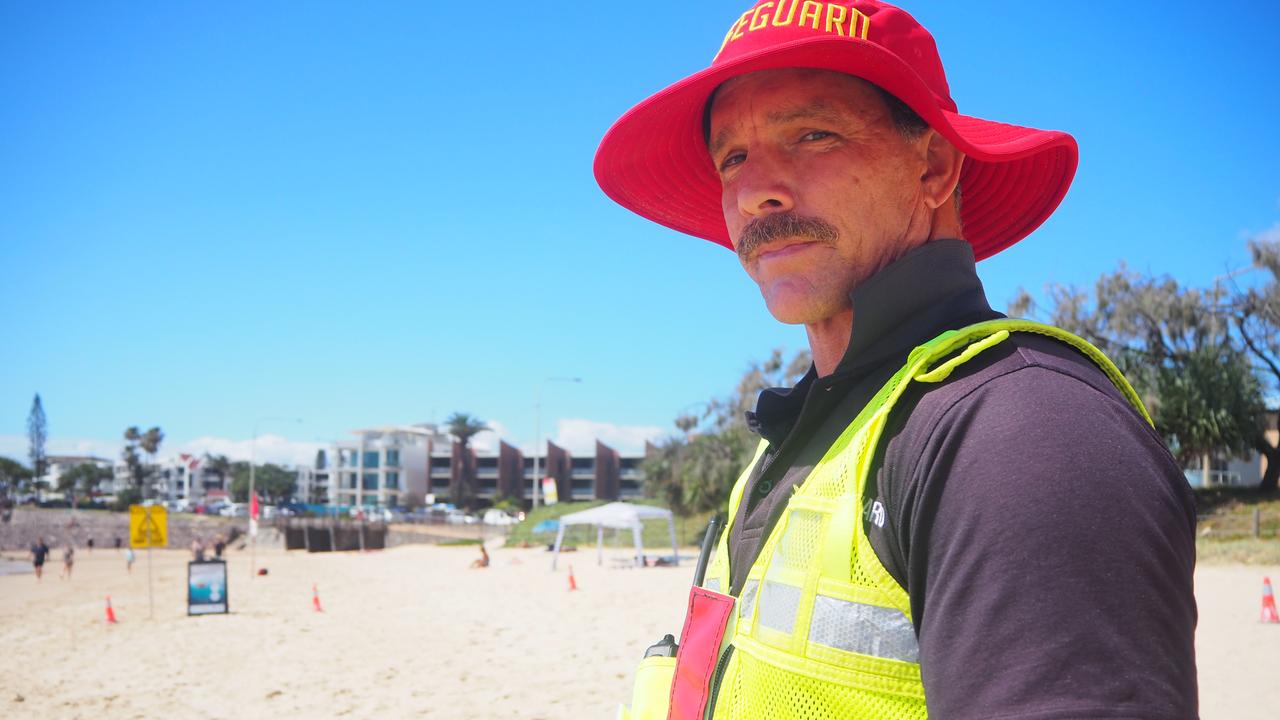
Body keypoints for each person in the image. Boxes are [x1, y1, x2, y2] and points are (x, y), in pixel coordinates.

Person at [596, 2, 1198, 718]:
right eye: (733, 157)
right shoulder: (793, 443)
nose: (757, 189)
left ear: (934, 166)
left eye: (813, 134)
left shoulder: (1024, 429)